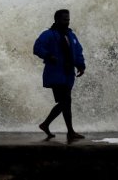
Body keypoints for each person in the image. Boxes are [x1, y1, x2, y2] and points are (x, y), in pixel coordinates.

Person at [33, 9, 86, 141]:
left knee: (65, 102)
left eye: (68, 19)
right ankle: (70, 132)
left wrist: (81, 65)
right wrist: (48, 55)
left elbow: (78, 51)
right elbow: (37, 47)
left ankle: (46, 124)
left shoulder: (71, 35)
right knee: (66, 101)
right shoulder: (48, 34)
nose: (67, 22)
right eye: (64, 19)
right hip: (55, 73)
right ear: (57, 20)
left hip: (68, 74)